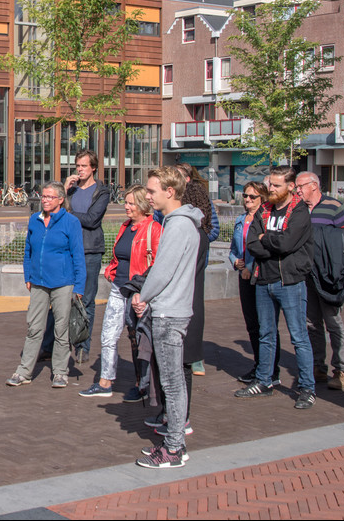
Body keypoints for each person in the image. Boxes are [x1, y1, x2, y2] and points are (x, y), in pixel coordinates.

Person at [132, 166, 201, 469]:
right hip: (174, 309)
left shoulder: (177, 225)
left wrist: (142, 295)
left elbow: (163, 270)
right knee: (173, 382)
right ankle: (174, 442)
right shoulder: (183, 222)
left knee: (172, 384)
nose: (147, 196)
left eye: (151, 191)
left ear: (169, 192)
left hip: (170, 312)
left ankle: (174, 448)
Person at [235, 166, 317, 410]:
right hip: (264, 280)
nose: (271, 189)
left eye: (277, 185)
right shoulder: (264, 210)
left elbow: (287, 243)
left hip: (290, 281)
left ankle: (307, 388)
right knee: (266, 334)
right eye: (270, 184)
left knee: (299, 337)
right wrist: (269, 241)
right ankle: (264, 380)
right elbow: (252, 243)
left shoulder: (300, 212)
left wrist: (266, 240)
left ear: (291, 187)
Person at [79, 185, 161, 399]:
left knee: (137, 338)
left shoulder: (153, 228)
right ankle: (105, 382)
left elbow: (158, 262)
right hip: (118, 288)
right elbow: (120, 255)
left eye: (131, 203)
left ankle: (142, 385)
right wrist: (111, 269)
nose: (126, 207)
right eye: (126, 202)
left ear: (143, 205)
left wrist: (144, 292)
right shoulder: (125, 226)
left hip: (139, 291)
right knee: (108, 336)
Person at [5, 181, 85, 389]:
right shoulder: (34, 220)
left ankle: (60, 372)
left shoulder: (71, 222)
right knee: (34, 328)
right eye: (43, 196)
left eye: (50, 197)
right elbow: (28, 251)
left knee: (61, 329)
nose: (45, 200)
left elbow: (78, 256)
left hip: (63, 283)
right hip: (38, 282)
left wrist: (79, 287)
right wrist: (28, 276)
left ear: (60, 199)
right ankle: (24, 371)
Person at [296, 171, 344, 391]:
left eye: (300, 186)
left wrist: (319, 236)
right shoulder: (298, 209)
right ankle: (317, 366)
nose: (297, 190)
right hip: (306, 275)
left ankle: (341, 370)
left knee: (334, 323)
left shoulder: (334, 206)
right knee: (311, 323)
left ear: (313, 185)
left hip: (328, 275)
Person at [230, 181, 279, 387]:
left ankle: (271, 370)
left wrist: (250, 266)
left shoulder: (266, 220)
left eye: (252, 197)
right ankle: (260, 365)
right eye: (246, 196)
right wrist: (235, 261)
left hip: (259, 275)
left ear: (263, 198)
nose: (248, 200)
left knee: (265, 326)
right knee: (251, 324)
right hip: (243, 275)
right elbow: (234, 248)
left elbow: (263, 247)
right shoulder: (241, 220)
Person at [64, 150, 111, 363]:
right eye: (78, 166)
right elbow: (56, 211)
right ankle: (59, 344)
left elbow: (92, 219)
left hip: (90, 249)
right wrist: (64, 191)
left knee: (87, 300)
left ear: (93, 167)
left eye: (84, 166)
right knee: (62, 298)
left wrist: (69, 214)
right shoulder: (71, 191)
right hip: (69, 249)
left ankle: (83, 346)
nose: (80, 170)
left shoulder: (102, 191)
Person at [175, 162, 218, 376]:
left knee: (191, 304)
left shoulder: (188, 227)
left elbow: (214, 228)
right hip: (198, 247)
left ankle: (192, 355)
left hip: (195, 253)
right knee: (194, 303)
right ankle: (191, 355)